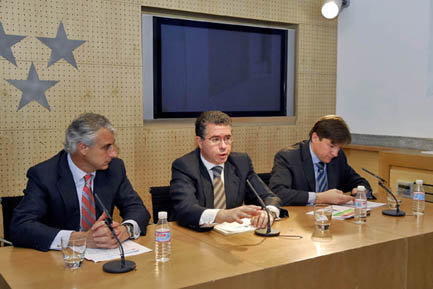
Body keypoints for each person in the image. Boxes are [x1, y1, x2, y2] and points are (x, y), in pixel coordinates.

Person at [10, 113, 150, 251]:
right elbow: (21, 226)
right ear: (83, 148)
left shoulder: (114, 168)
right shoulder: (44, 175)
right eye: (106, 147)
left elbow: (137, 209)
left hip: (103, 259)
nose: (114, 154)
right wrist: (80, 239)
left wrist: (125, 230)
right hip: (58, 262)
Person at [170, 110, 287, 231]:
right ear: (200, 142)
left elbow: (269, 197)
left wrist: (268, 213)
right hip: (195, 238)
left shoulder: (241, 163)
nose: (223, 146)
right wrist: (223, 215)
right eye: (215, 139)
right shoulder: (185, 166)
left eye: (227, 138)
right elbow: (185, 209)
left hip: (231, 238)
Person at [269, 115, 373, 206]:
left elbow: (360, 182)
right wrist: (319, 198)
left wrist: (359, 191)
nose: (335, 153)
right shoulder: (289, 157)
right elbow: (278, 193)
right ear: (315, 138)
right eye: (331, 146)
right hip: (299, 221)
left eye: (339, 148)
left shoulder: (338, 158)